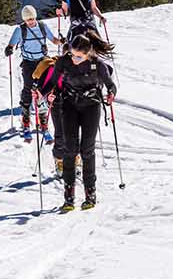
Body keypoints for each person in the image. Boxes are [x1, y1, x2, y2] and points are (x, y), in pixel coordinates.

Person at [37, 29, 117, 212]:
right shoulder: (64, 61)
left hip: (91, 106)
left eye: (79, 57)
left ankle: (90, 193)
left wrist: (111, 94)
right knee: (69, 149)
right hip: (69, 105)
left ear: (88, 54)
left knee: (87, 150)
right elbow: (51, 83)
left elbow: (110, 84)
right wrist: (43, 93)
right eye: (72, 54)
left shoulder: (98, 65)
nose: (74, 59)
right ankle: (69, 197)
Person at [4, 5, 61, 137]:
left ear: (35, 16)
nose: (30, 21)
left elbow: (53, 40)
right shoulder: (20, 30)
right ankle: (25, 118)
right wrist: (9, 49)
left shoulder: (42, 26)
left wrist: (62, 42)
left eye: (31, 18)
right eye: (27, 19)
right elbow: (11, 44)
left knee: (43, 90)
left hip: (43, 61)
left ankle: (43, 120)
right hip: (28, 63)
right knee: (29, 88)